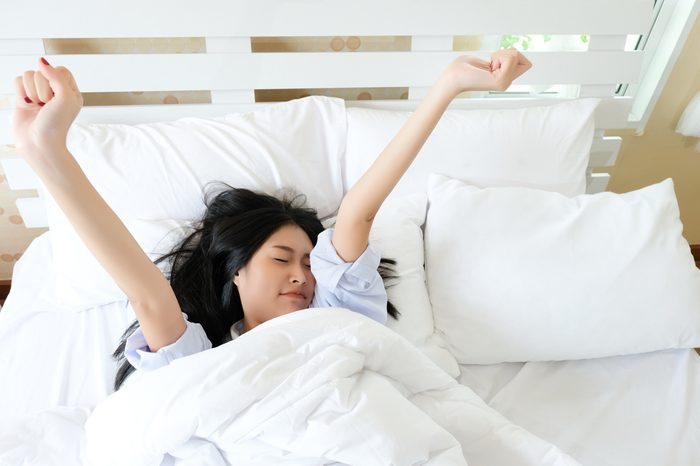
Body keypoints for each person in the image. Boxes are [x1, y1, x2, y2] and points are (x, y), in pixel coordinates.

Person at [12, 50, 532, 390]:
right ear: (235, 270)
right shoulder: (204, 357)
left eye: (308, 261)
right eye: (282, 258)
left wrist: (448, 86)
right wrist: (48, 153)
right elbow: (148, 294)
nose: (302, 275)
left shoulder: (341, 311)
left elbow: (358, 212)